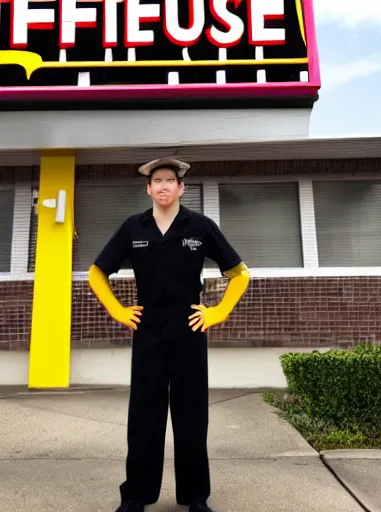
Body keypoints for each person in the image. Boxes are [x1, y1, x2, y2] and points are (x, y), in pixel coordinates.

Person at [88, 157, 250, 512]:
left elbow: (240, 274)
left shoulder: (200, 226)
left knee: (191, 415)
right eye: (156, 181)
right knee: (144, 415)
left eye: (169, 180)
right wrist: (117, 310)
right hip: (148, 330)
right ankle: (135, 496)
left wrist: (218, 312)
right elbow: (96, 273)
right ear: (148, 188)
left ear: (181, 188)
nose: (163, 186)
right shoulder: (134, 227)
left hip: (189, 328)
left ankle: (195, 497)